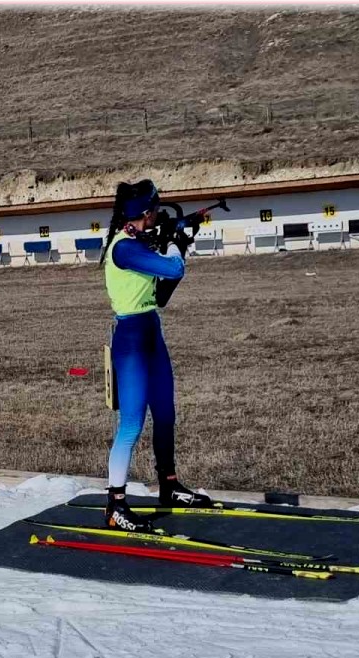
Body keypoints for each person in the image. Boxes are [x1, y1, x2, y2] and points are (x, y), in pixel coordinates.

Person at [99, 179, 213, 533]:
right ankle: (116, 505)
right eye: (152, 214)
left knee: (165, 414)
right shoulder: (124, 249)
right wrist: (176, 245)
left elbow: (161, 295)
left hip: (151, 331)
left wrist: (178, 245)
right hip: (131, 339)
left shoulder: (138, 243)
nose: (155, 219)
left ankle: (169, 484)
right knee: (132, 423)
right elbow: (173, 268)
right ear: (142, 214)